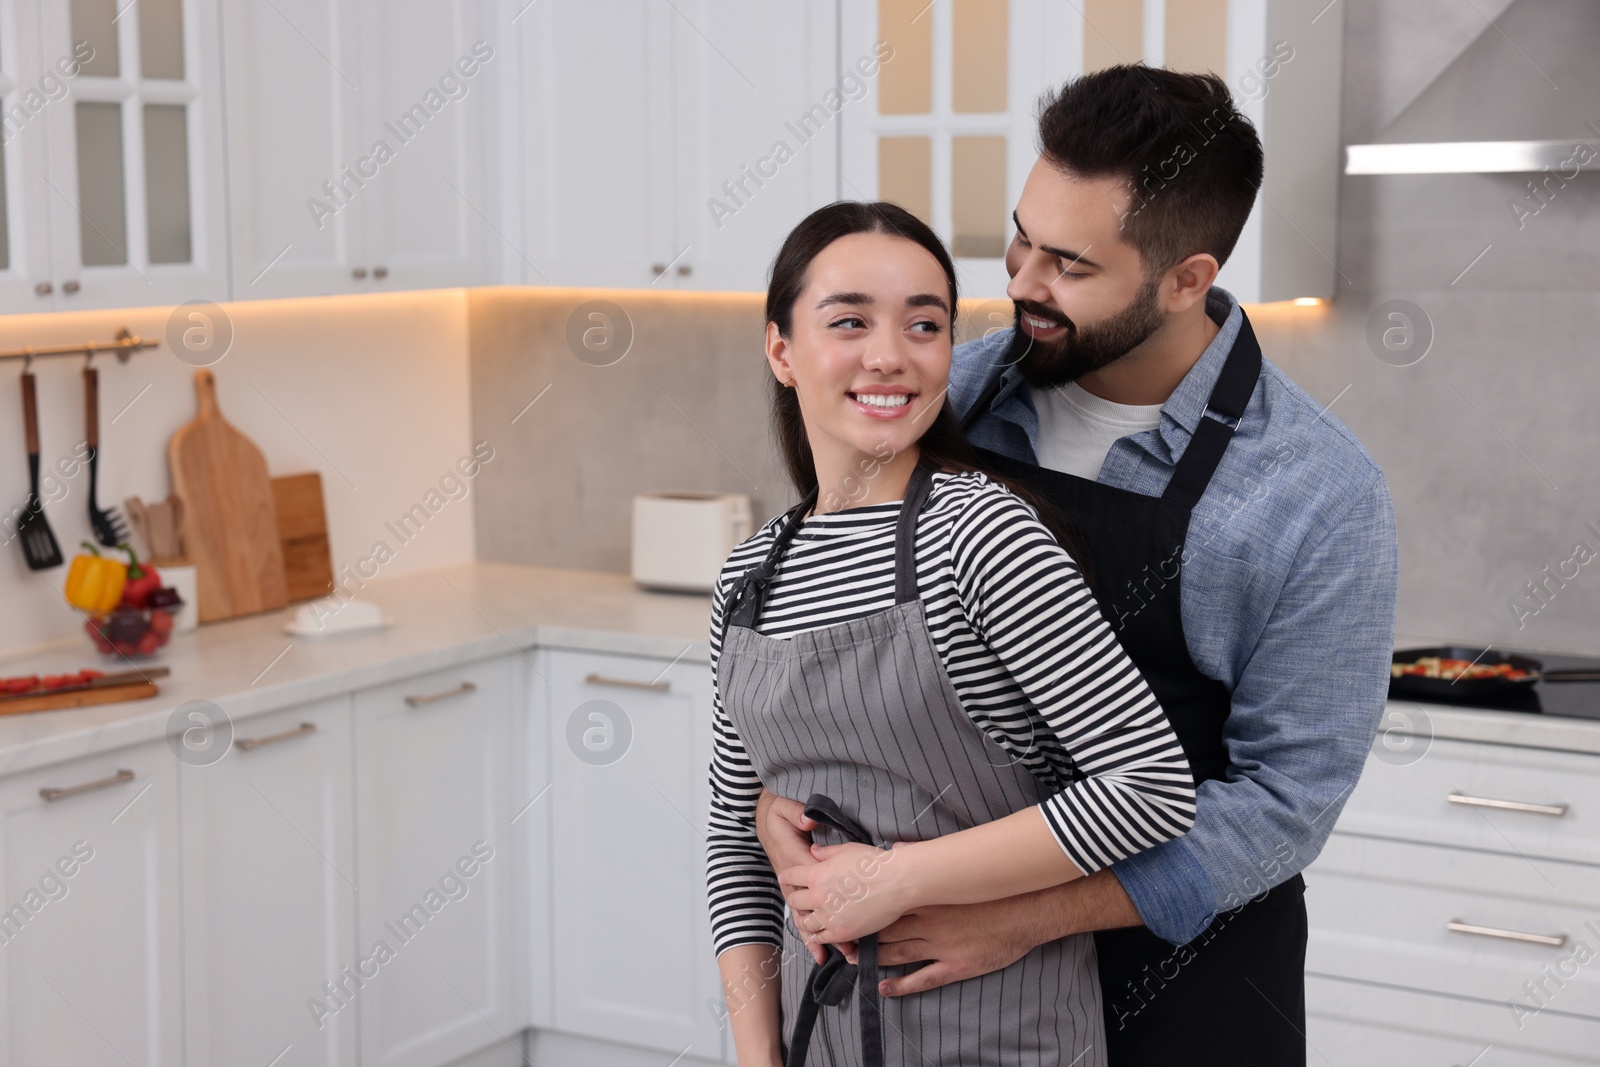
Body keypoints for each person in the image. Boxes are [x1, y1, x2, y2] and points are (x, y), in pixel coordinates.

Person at [752, 66, 1399, 1065]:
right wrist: (776, 797)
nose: (1017, 280)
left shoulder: (1312, 492)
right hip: (941, 983)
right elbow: (826, 625)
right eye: (1020, 235)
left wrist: (1025, 913)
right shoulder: (949, 393)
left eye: (1068, 264)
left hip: (1188, 983)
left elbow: (1284, 803)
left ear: (1187, 278)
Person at [706, 200, 1198, 1067]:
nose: (889, 355)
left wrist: (893, 877)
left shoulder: (983, 536)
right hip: (815, 1040)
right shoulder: (750, 577)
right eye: (849, 320)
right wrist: (759, 1057)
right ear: (783, 351)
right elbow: (735, 843)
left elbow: (1148, 788)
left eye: (924, 324)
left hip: (1005, 1041)